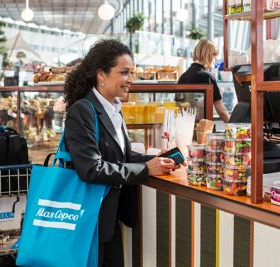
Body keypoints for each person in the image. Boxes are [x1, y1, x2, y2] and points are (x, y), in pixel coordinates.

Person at [63, 39, 181, 267]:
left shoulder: (113, 108)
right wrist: (146, 169)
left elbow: (121, 157)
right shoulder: (82, 111)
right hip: (89, 218)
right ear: (102, 75)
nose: (131, 80)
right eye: (125, 72)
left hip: (107, 217)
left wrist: (156, 159)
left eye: (132, 73)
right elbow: (91, 169)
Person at [178, 39, 231, 122]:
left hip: (186, 128)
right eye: (214, 55)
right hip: (204, 129)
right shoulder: (208, 77)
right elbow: (222, 111)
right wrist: (235, 127)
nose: (216, 59)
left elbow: (179, 107)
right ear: (208, 55)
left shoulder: (183, 77)